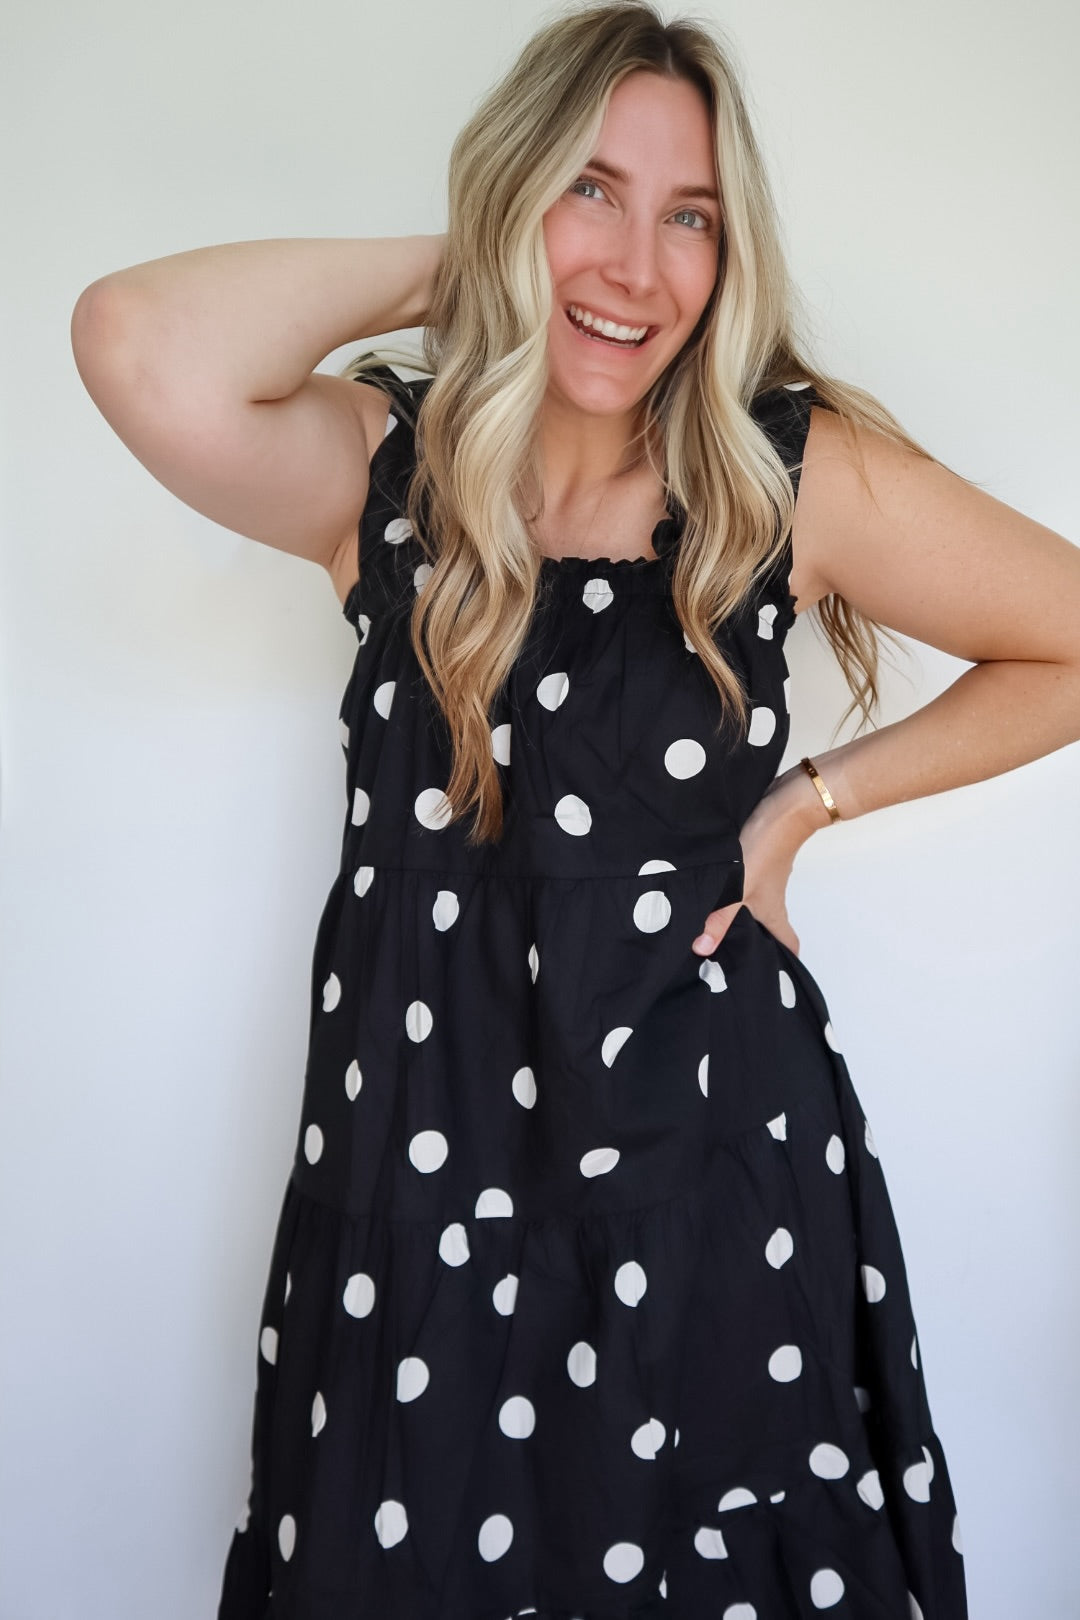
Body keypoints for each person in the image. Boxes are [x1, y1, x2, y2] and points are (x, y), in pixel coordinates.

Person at [69, 2, 1080, 1615]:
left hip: (703, 1183)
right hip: (415, 1192)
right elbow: (133, 339)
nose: (636, 266)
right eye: (588, 192)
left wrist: (812, 802)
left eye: (690, 218)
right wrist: (477, 259)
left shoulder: (781, 481)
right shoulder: (386, 477)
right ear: (513, 194)